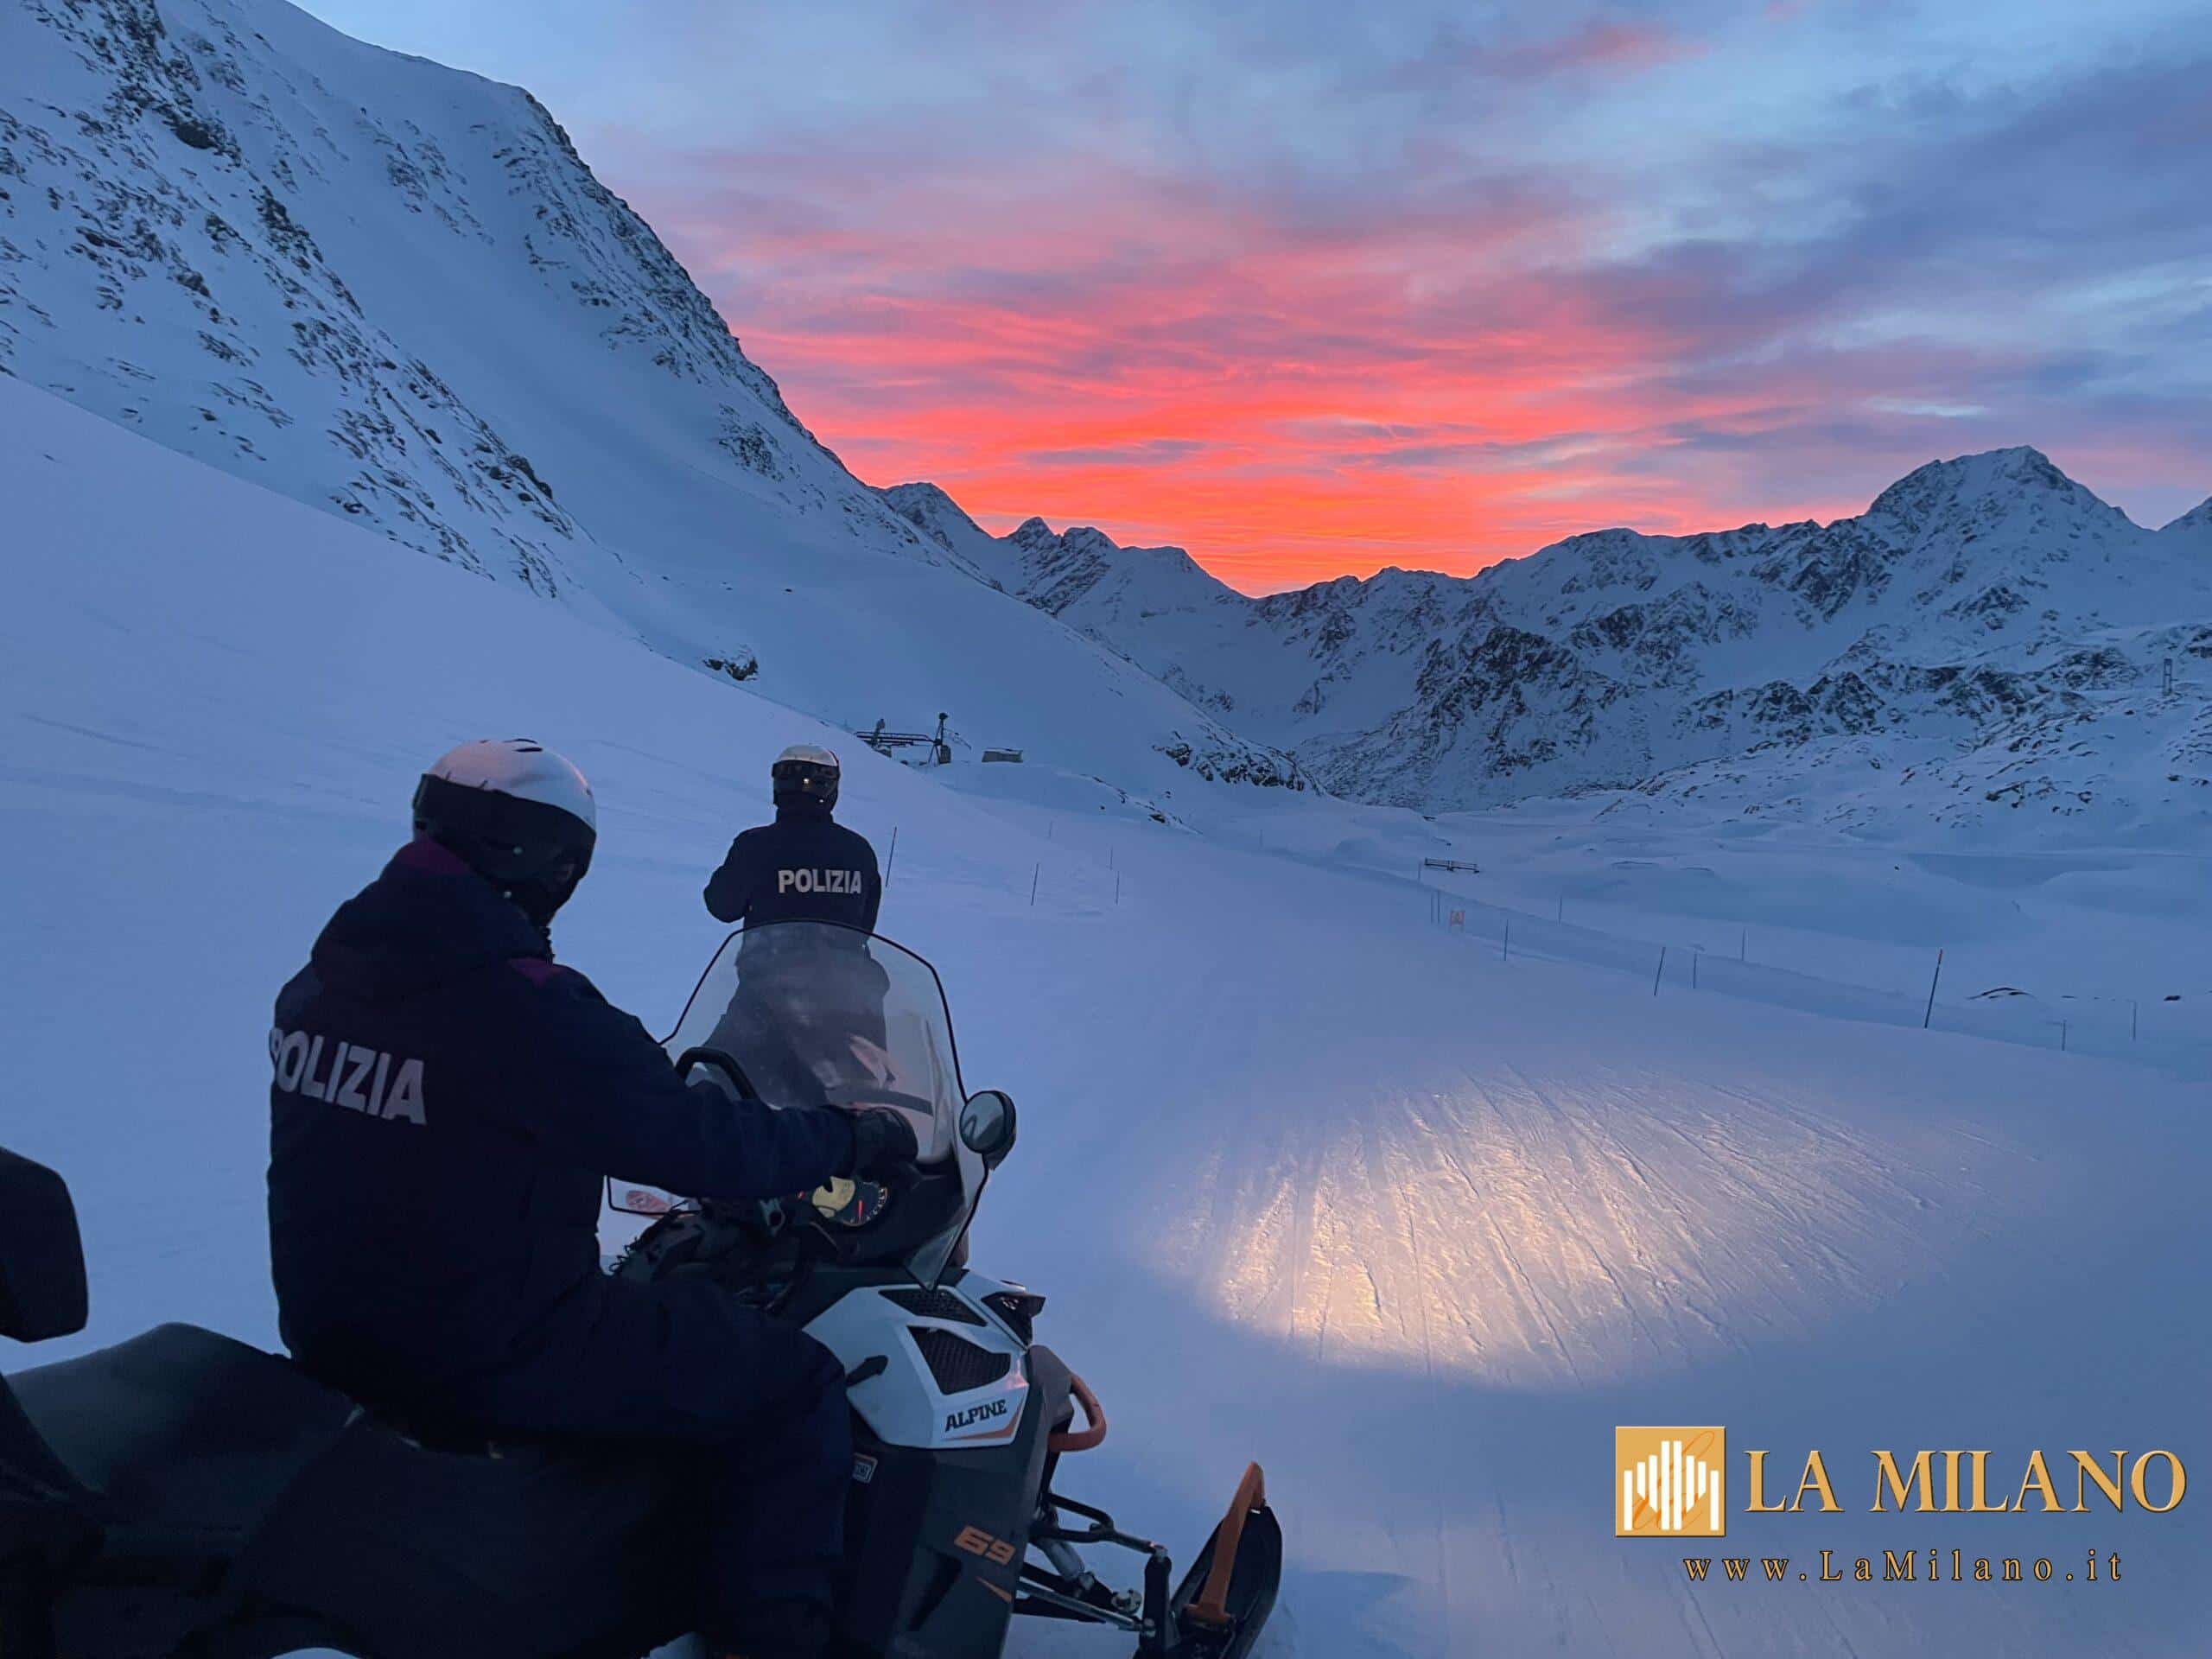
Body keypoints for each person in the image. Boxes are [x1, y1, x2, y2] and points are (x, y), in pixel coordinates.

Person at [266, 738, 917, 1659]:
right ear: (554, 863)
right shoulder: (523, 1006)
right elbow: (699, 1143)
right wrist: (846, 1138)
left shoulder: (325, 980)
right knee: (793, 1384)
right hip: (495, 1347)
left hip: (336, 1333)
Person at [704, 744, 880, 932]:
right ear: (831, 790)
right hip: (841, 961)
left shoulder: (754, 845)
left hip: (768, 959)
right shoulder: (858, 850)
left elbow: (723, 907)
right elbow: (865, 924)